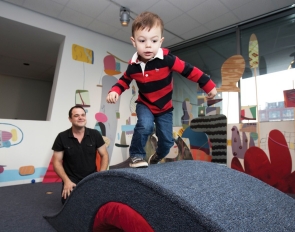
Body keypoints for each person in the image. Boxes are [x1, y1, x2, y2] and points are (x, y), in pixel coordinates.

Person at [106, 11, 217, 168]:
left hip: (165, 108)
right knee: (145, 125)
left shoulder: (167, 60)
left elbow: (189, 70)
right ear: (133, 41)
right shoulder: (133, 66)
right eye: (142, 40)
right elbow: (124, 81)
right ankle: (137, 155)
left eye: (154, 40)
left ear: (161, 41)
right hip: (145, 104)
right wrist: (115, 91)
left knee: (166, 142)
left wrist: (207, 84)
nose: (148, 45)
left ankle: (158, 155)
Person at [52, 106, 109, 204]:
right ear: (70, 119)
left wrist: (101, 175)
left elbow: (104, 155)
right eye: (76, 115)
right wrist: (66, 181)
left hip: (91, 177)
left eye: (83, 115)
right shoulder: (62, 137)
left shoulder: (95, 134)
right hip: (71, 179)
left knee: (98, 202)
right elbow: (56, 161)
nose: (80, 117)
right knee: (69, 203)